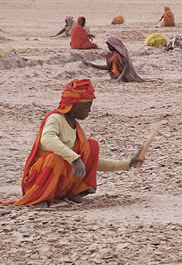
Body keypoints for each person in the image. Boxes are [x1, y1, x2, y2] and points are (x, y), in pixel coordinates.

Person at [0, 79, 144, 207]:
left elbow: (90, 162)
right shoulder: (55, 119)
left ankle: (71, 193)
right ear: (74, 105)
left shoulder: (77, 129)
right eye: (87, 106)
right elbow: (47, 139)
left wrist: (127, 164)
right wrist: (74, 158)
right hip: (37, 181)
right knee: (55, 158)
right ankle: (40, 197)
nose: (89, 110)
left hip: (59, 182)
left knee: (91, 146)